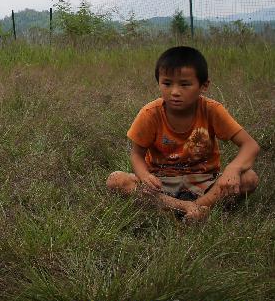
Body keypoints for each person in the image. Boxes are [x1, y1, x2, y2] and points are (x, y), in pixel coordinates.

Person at [107, 46, 260, 222]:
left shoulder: (211, 110)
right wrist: (145, 176)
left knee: (249, 178)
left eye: (185, 84)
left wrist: (233, 169)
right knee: (116, 180)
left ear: (204, 86)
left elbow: (250, 145)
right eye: (167, 83)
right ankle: (192, 208)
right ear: (158, 82)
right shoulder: (150, 113)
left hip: (204, 182)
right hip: (161, 183)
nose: (175, 92)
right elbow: (136, 154)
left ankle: (190, 206)